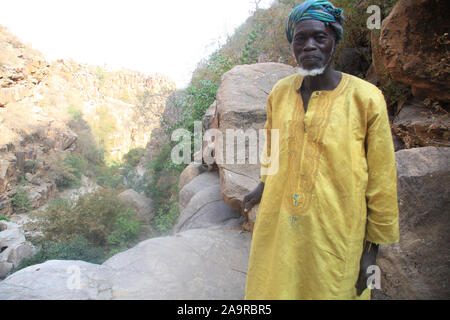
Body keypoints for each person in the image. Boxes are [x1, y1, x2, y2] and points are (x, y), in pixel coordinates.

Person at [243, 0, 399, 300]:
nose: (309, 46)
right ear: (292, 44)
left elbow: (382, 179)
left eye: (320, 37)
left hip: (335, 235)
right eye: (300, 39)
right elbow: (274, 148)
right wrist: (263, 185)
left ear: (334, 41)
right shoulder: (279, 93)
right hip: (280, 229)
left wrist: (371, 254)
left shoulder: (366, 98)